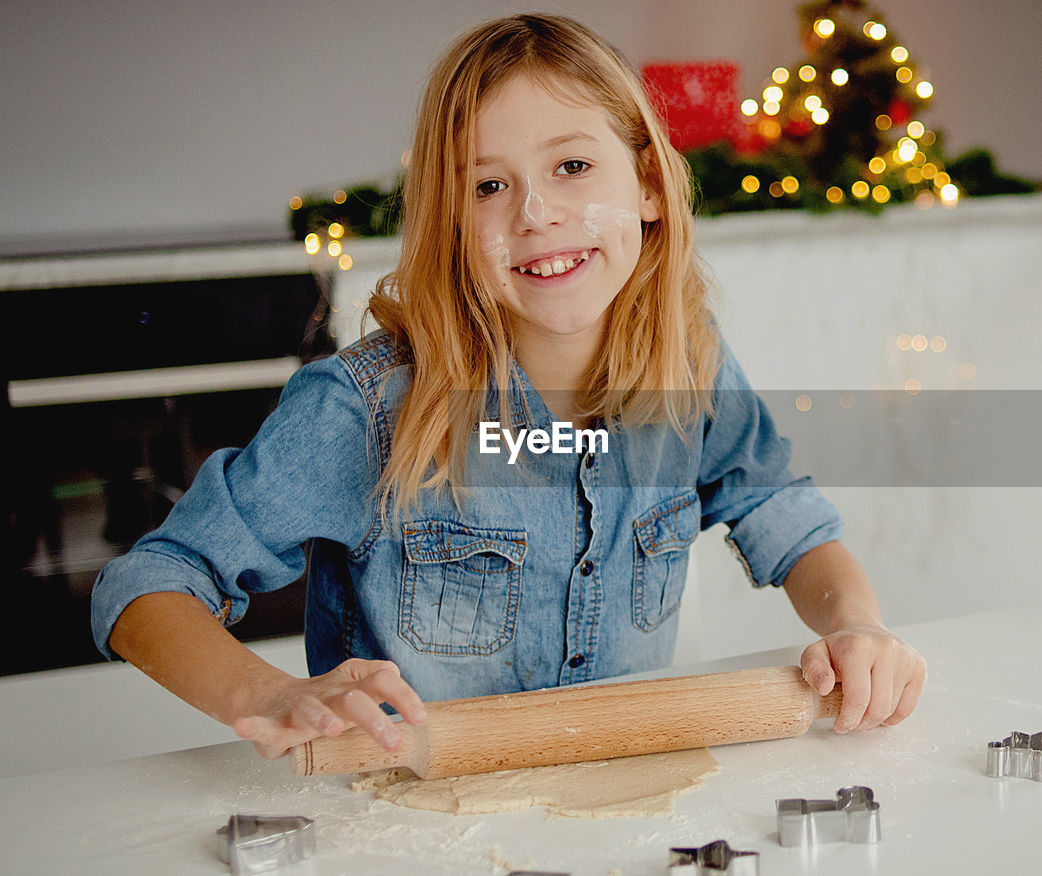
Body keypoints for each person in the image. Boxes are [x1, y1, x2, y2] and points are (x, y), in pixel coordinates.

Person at [91, 13, 926, 763]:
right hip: (409, 832)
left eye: (571, 165)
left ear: (645, 185)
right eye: (487, 186)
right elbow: (146, 585)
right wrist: (268, 695)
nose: (535, 213)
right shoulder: (366, 411)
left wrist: (857, 624)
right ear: (453, 223)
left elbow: (783, 511)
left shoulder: (690, 367)